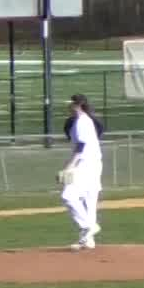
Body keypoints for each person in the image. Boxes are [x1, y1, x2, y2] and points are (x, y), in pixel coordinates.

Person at [61, 93, 104, 250]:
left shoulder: (81, 122)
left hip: (84, 165)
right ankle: (88, 239)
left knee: (68, 195)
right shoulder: (87, 120)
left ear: (77, 105)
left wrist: (69, 166)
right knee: (89, 200)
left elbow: (81, 146)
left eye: (71, 103)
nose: (69, 106)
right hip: (94, 163)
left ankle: (88, 226)